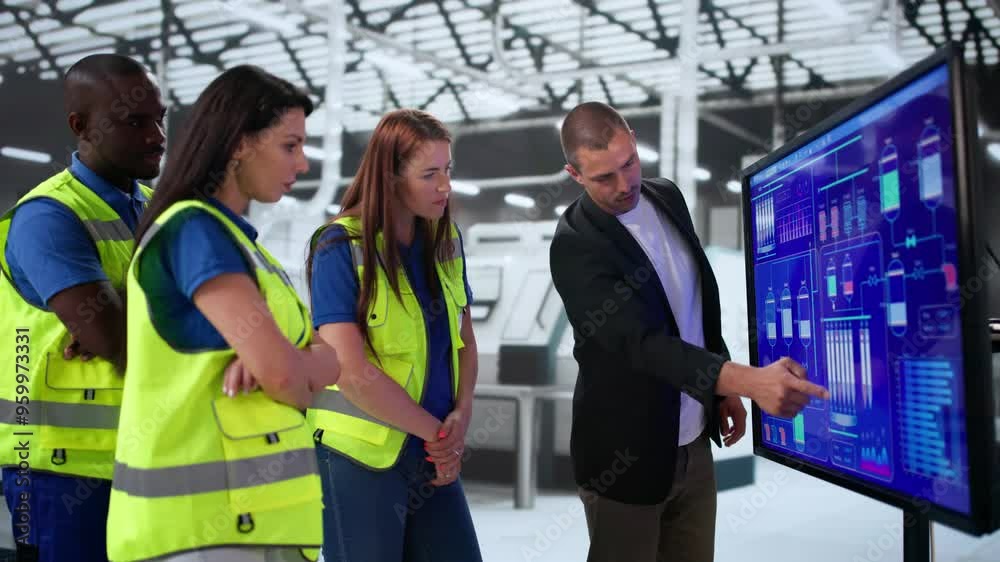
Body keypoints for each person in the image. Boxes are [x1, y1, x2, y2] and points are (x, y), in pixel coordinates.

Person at [549, 102, 830, 562]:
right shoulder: (576, 244)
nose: (624, 184)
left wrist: (721, 389)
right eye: (604, 177)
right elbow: (641, 346)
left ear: (634, 140)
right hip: (625, 458)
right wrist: (747, 380)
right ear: (574, 174)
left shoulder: (666, 196)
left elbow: (695, 304)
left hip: (693, 443)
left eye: (629, 163)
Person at [105, 65, 340, 562]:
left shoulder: (242, 245)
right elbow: (289, 379)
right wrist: (289, 365)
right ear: (238, 144)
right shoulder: (195, 231)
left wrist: (291, 361)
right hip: (203, 532)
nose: (302, 164)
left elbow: (325, 360)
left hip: (249, 526)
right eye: (290, 146)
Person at [0, 53, 165, 561]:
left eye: (160, 118)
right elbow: (115, 341)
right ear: (81, 126)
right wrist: (121, 322)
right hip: (58, 469)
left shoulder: (156, 208)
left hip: (138, 455)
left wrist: (126, 314)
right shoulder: (49, 216)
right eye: (135, 122)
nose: (157, 136)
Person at [305, 108, 482, 562]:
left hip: (431, 450)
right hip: (359, 456)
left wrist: (462, 413)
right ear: (390, 177)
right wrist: (439, 437)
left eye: (448, 170)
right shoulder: (339, 247)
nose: (445, 186)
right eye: (429, 174)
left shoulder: (445, 239)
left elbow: (464, 339)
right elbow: (350, 371)